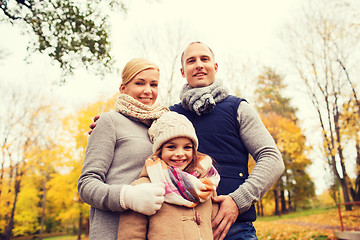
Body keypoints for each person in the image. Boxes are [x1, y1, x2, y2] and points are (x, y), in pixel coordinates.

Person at [89, 41, 284, 240]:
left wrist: (237, 201)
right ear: (183, 71)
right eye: (191, 61)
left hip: (234, 227)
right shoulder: (167, 116)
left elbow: (272, 159)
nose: (198, 64)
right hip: (181, 229)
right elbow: (136, 128)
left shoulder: (237, 108)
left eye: (204, 59)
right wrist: (106, 123)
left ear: (215, 67)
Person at [77, 58, 169, 240]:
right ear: (123, 88)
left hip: (157, 231)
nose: (148, 90)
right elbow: (86, 184)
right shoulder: (109, 122)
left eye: (154, 84)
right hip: (113, 232)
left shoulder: (164, 127)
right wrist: (127, 196)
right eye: (139, 83)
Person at [117, 111, 220, 240]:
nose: (180, 153)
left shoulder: (206, 185)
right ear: (160, 151)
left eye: (187, 147)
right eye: (171, 147)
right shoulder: (143, 188)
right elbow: (131, 236)